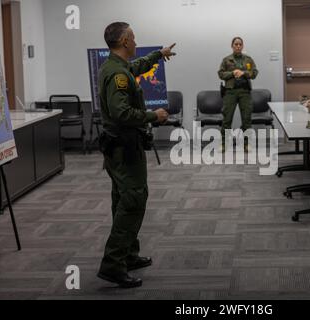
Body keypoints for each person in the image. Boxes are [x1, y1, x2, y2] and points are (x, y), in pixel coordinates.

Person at [96, 22, 175, 288]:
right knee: (132, 201)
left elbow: (137, 66)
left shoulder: (115, 66)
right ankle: (113, 264)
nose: (136, 40)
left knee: (122, 199)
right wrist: (155, 115)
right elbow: (121, 113)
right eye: (134, 36)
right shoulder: (116, 75)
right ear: (126, 40)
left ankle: (128, 255)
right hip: (124, 149)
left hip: (119, 148)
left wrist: (158, 54)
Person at [218, 37, 258, 152]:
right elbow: (220, 74)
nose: (238, 46)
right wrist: (232, 73)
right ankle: (224, 143)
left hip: (245, 92)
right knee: (227, 118)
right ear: (232, 46)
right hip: (230, 92)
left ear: (242, 46)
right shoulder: (226, 60)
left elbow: (254, 73)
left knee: (246, 119)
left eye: (240, 44)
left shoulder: (248, 59)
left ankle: (247, 144)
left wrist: (244, 73)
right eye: (236, 44)